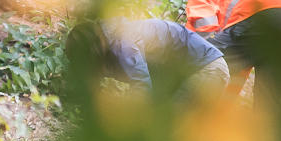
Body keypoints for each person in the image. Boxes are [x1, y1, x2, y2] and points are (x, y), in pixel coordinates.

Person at [183, 0, 281, 102]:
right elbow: (236, 73)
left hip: (265, 13)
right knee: (268, 101)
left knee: (210, 62)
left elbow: (205, 42)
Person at [69, 18, 229, 98]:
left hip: (207, 68)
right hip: (187, 72)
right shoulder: (108, 40)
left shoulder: (123, 44)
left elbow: (142, 87)